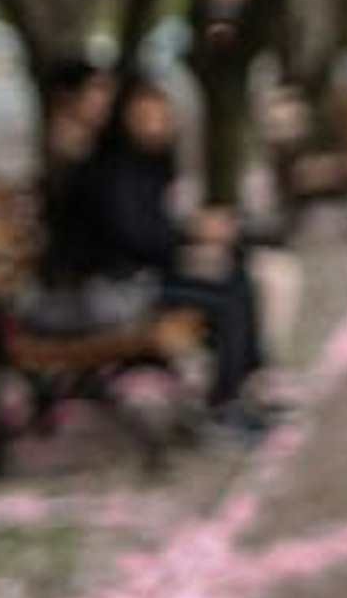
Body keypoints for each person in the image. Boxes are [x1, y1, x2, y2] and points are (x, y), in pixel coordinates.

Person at [44, 73, 279, 436]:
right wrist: (194, 238)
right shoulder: (109, 170)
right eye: (145, 116)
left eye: (161, 116)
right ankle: (224, 404)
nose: (157, 125)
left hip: (134, 277)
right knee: (224, 296)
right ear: (124, 117)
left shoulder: (139, 163)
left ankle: (241, 388)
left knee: (233, 275)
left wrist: (197, 240)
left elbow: (149, 235)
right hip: (107, 291)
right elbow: (134, 240)